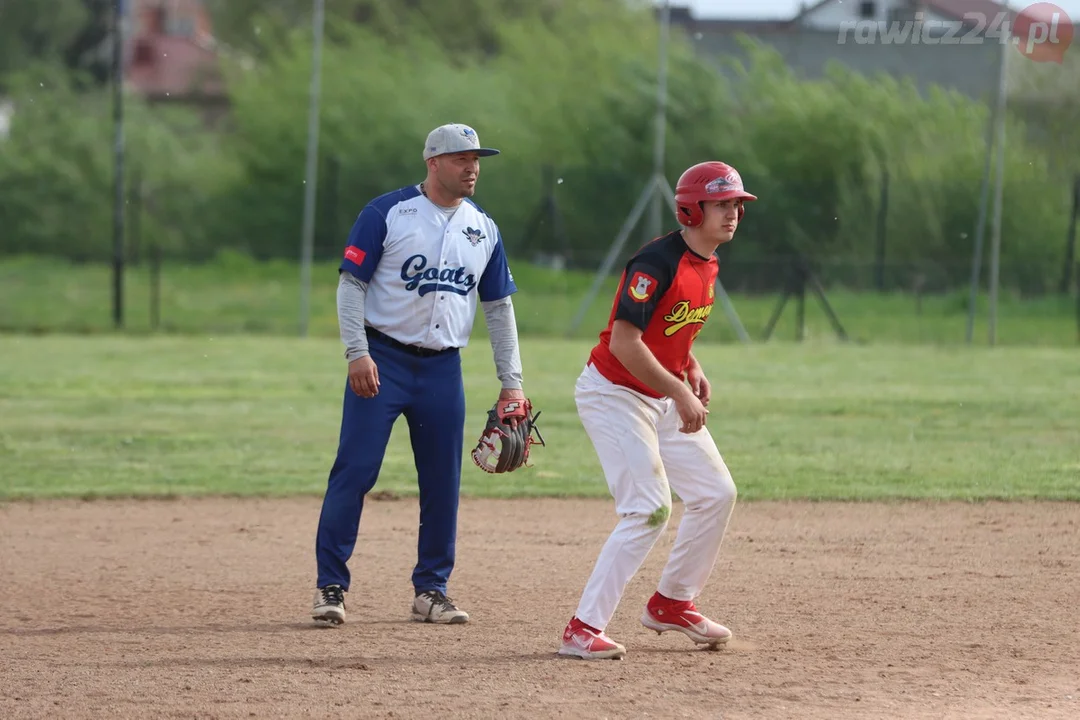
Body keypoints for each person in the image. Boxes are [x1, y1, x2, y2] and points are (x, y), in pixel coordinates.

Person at [310, 123, 525, 626]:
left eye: (476, 159)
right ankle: (330, 586)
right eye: (460, 159)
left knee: (442, 482)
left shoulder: (483, 227)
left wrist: (511, 380)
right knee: (356, 471)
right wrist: (356, 352)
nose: (472, 167)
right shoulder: (388, 212)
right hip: (381, 363)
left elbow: (498, 307)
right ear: (432, 163)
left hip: (443, 370)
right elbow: (350, 285)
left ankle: (432, 589)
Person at [557, 161, 756, 660]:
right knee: (648, 508)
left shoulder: (706, 260)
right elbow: (625, 343)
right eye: (722, 203)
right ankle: (582, 629)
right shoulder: (655, 263)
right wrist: (680, 391)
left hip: (660, 391)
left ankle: (671, 602)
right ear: (692, 208)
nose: (733, 212)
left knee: (716, 493)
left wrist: (691, 366)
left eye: (737, 204)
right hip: (615, 393)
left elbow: (671, 327)